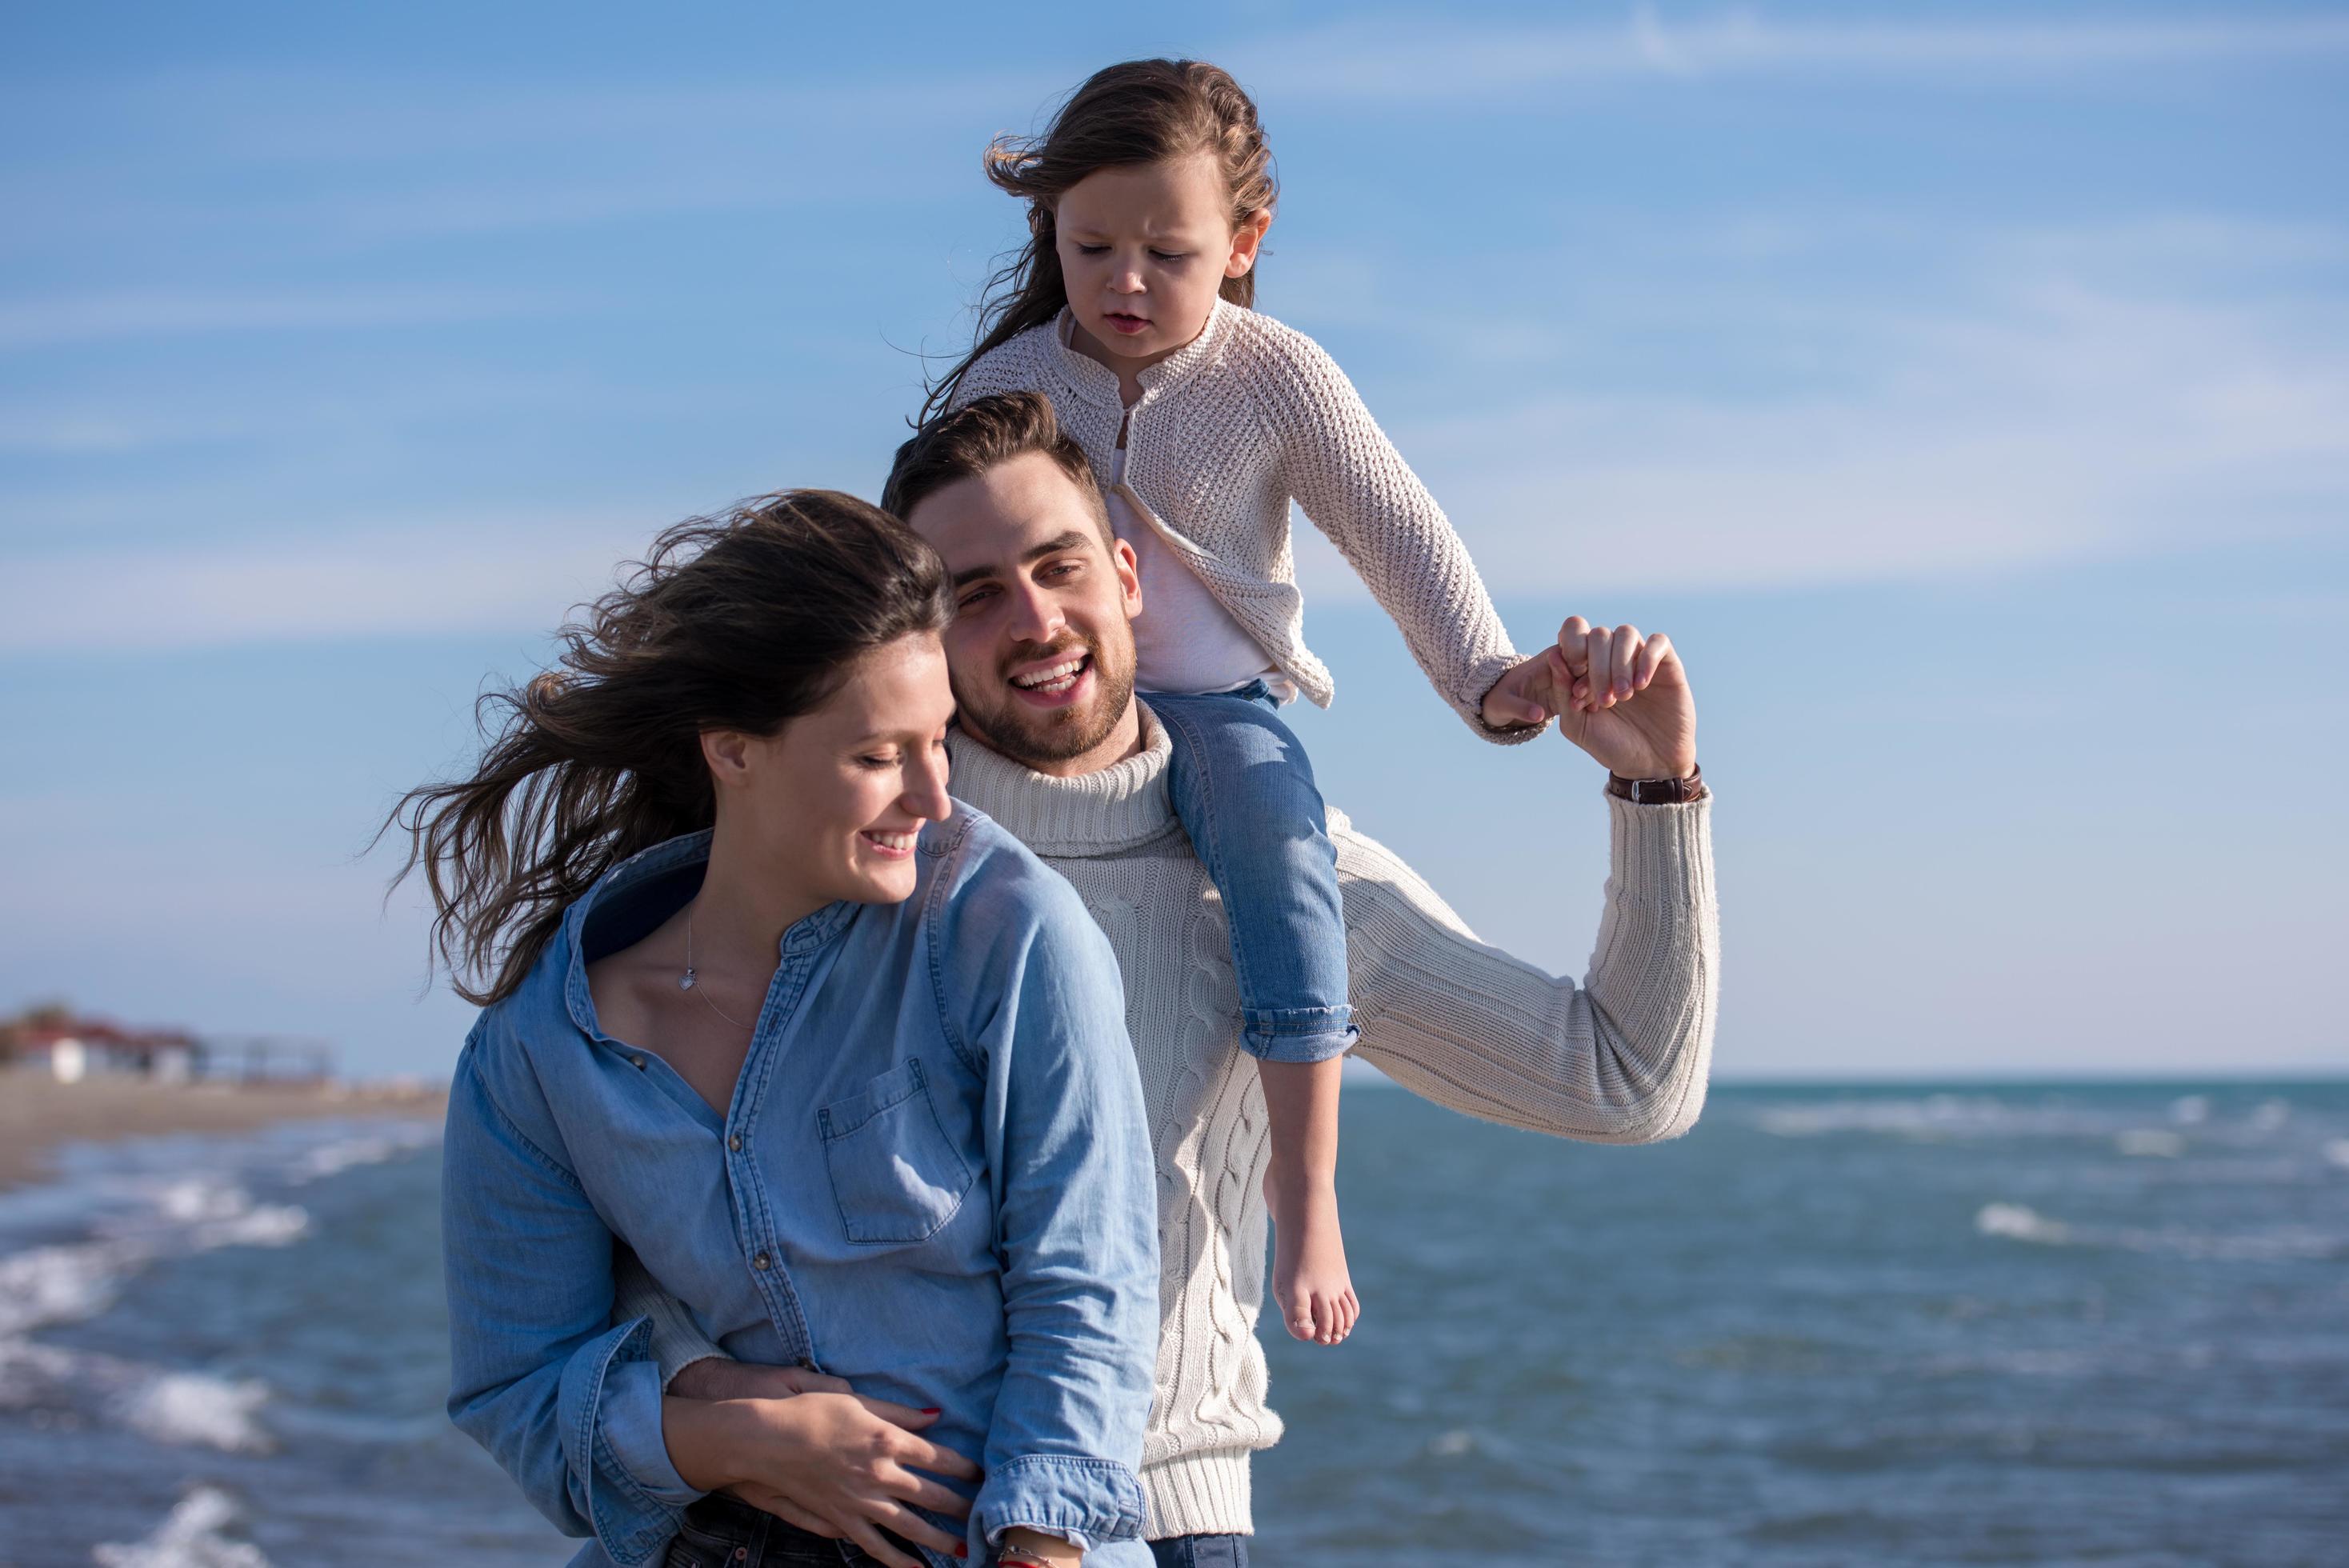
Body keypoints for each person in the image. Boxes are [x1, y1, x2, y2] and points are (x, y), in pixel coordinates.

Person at [626, 396, 1719, 1568]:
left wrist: (1658, 789)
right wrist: (713, 1409)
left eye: (1061, 566)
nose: (1037, 621)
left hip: (1165, 1518)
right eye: (977, 594)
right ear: (920, 641)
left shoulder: (1289, 891)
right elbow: (661, 1196)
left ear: (1131, 576)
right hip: (855, 1518)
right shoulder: (852, 860)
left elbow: (1626, 1084)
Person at [923, 58, 1571, 1349]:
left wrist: (1492, 681)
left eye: (1167, 252)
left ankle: (1306, 1186)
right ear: (1051, 230)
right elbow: (921, 556)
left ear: (1244, 240)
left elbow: (1398, 529)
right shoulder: (1007, 381)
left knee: (1285, 868)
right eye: (1091, 244)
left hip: (1217, 710)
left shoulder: (1275, 373)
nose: (1123, 281)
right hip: (1025, 705)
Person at [389, 492, 1159, 1568]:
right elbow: (515, 1384)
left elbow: (1090, 1292)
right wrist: (721, 1435)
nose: (935, 798)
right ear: (734, 751)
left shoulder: (1006, 932)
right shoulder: (543, 1051)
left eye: (938, 740)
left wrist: (1040, 1550)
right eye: (879, 757)